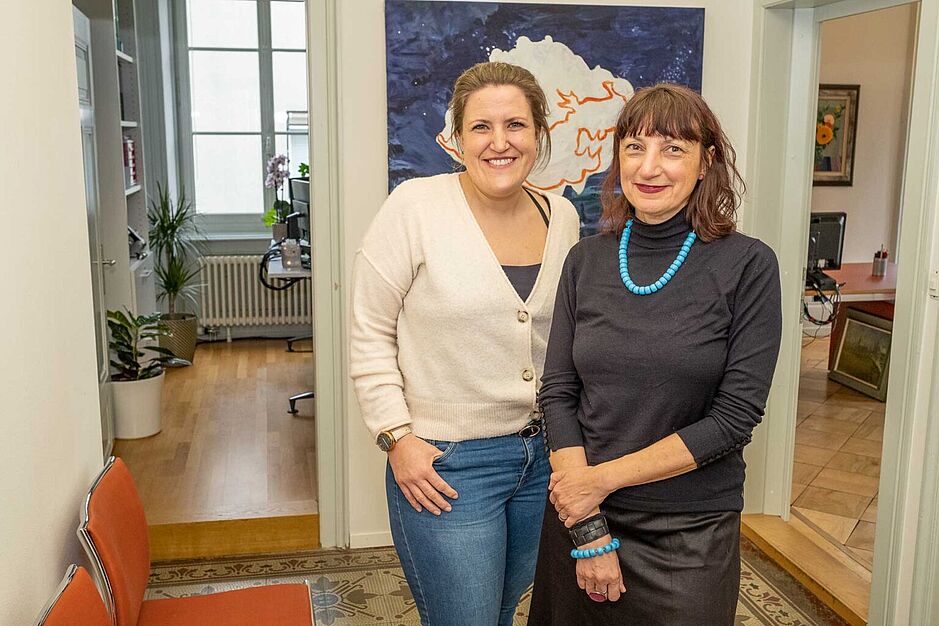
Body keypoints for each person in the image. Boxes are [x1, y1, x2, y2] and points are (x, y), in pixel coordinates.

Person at [527, 83, 783, 625]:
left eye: (672, 148)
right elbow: (558, 391)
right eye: (635, 146)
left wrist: (601, 480)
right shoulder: (585, 261)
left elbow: (734, 419)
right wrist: (588, 522)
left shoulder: (749, 266)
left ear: (705, 161)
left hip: (689, 533)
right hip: (583, 519)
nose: (650, 167)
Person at [349, 61, 581, 626]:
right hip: (449, 465)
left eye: (515, 126)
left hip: (542, 462)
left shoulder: (565, 217)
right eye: (481, 127)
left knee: (501, 611)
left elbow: (565, 341)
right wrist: (396, 437)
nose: (499, 142)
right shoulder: (414, 208)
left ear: (539, 135)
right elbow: (369, 331)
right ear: (456, 138)